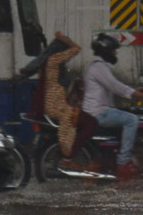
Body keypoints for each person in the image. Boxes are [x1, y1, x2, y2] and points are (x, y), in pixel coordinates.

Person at [82, 33, 143, 182]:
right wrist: (135, 94)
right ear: (106, 51)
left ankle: (120, 156)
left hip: (97, 110)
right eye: (114, 50)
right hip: (98, 113)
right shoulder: (98, 67)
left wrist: (133, 90)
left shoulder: (97, 66)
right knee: (132, 120)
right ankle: (123, 163)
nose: (116, 53)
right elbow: (115, 86)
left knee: (127, 114)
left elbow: (114, 85)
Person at [26, 31, 98, 170]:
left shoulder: (49, 62)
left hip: (56, 105)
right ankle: (68, 156)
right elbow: (77, 49)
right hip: (57, 107)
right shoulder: (54, 60)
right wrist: (63, 39)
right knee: (91, 123)